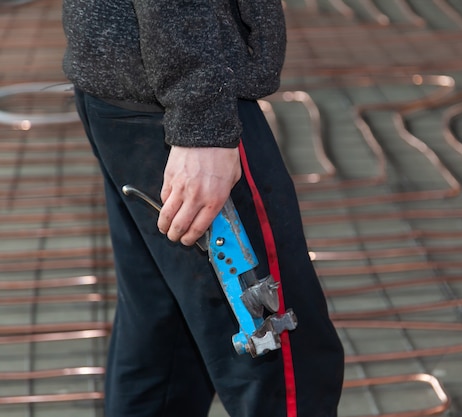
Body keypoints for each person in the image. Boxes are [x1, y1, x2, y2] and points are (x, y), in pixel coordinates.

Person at [61, 1, 345, 416]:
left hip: (128, 83)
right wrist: (201, 122)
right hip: (186, 103)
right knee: (283, 373)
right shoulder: (197, 111)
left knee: (164, 349)